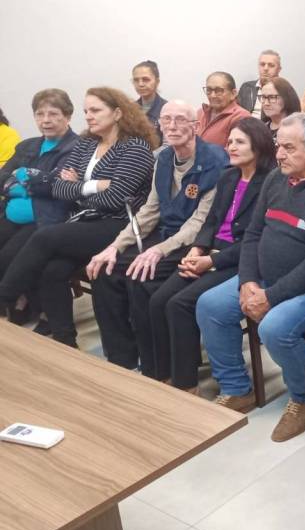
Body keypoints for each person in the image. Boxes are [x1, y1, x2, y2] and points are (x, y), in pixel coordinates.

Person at [196, 114, 305, 441]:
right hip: (265, 278)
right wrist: (247, 281)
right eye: (278, 146)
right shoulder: (277, 178)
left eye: (288, 148)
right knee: (210, 306)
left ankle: (304, 397)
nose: (279, 154)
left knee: (275, 328)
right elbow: (254, 234)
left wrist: (270, 297)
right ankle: (236, 388)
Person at [0, 88, 158, 346]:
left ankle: (4, 298)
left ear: (117, 113)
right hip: (84, 219)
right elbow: (57, 188)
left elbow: (115, 199)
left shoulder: (135, 148)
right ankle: (65, 340)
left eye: (95, 110)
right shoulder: (87, 143)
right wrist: (95, 185)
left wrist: (78, 187)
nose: (88, 116)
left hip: (119, 224)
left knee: (44, 237)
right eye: (86, 111)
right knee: (52, 269)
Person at [85, 101, 228, 371]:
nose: (172, 126)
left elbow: (200, 222)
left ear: (196, 126)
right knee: (104, 269)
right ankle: (122, 358)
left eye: (180, 119)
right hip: (166, 234)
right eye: (166, 119)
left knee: (140, 276)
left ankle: (156, 366)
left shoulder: (215, 162)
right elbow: (150, 210)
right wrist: (115, 246)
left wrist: (159, 250)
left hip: (196, 243)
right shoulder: (162, 158)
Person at [146, 119, 275, 390]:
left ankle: (185, 383)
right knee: (158, 300)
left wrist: (210, 261)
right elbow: (211, 220)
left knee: (179, 304)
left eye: (240, 142)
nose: (231, 147)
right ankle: (163, 374)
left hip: (237, 259)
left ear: (259, 146)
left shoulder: (270, 183)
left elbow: (256, 240)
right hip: (210, 250)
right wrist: (197, 248)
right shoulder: (229, 176)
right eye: (230, 141)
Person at [0, 89, 79, 321]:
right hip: (12, 215)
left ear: (68, 116)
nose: (46, 120)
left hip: (47, 220)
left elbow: (56, 188)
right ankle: (20, 302)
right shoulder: (27, 146)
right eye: (39, 114)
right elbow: (2, 178)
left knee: (8, 257)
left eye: (53, 114)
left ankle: (21, 304)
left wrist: (21, 180)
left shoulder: (77, 148)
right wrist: (27, 181)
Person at [198, 71, 251, 148]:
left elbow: (235, 150)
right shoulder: (201, 112)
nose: (212, 95)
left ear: (233, 93)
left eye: (219, 91)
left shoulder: (241, 117)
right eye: (209, 90)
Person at [258, 75, 301, 143]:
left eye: (272, 97)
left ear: (286, 98)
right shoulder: (260, 128)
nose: (266, 103)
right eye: (263, 97)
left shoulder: (298, 129)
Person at [238, 50, 282, 115]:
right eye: (262, 64)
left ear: (279, 69)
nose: (266, 68)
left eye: (271, 65)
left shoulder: (283, 90)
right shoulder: (246, 87)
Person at [131, 60, 167, 140]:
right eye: (136, 80)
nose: (140, 84)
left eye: (146, 79)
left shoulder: (167, 110)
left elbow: (169, 144)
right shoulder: (130, 109)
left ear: (157, 81)